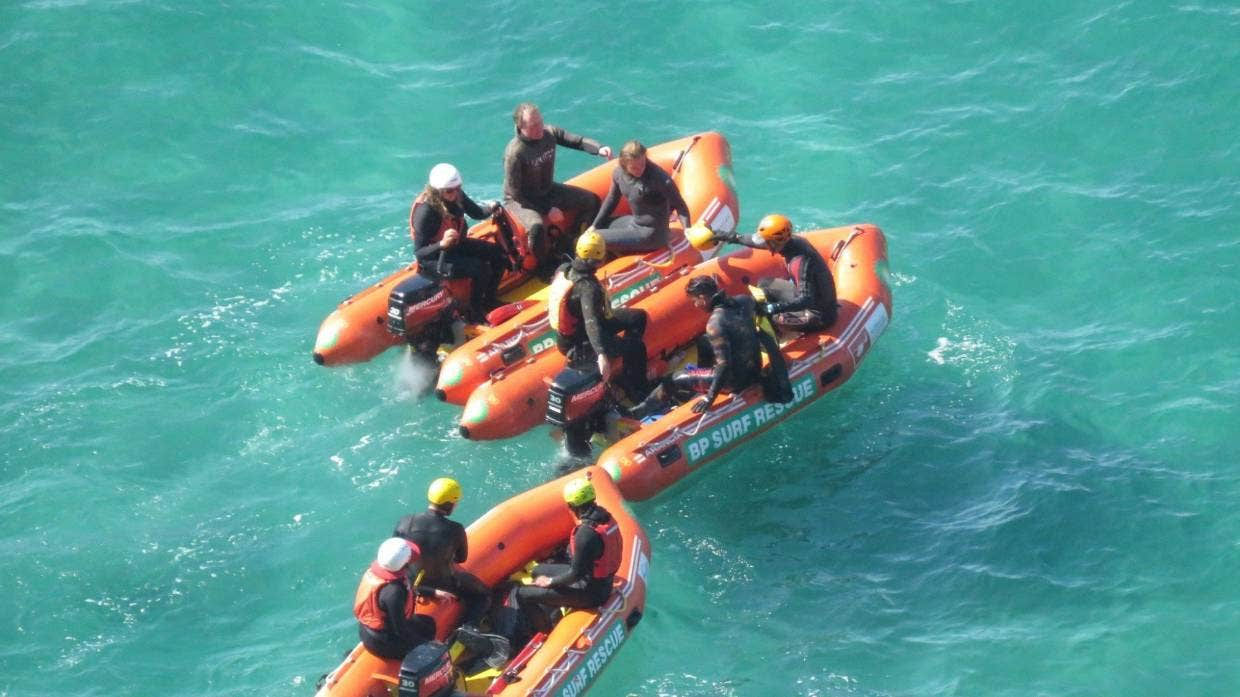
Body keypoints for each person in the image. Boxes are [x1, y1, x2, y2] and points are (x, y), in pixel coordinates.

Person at [629, 274, 791, 417]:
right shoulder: (745, 300)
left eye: (694, 301)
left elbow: (724, 365)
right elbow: (761, 318)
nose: (695, 305)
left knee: (675, 378)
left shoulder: (716, 323)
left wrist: (710, 397)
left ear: (702, 297)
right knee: (703, 340)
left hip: (734, 382)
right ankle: (702, 379)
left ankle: (639, 411)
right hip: (754, 368)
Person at [502, 103, 612, 273]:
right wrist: (547, 210)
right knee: (537, 227)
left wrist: (599, 149)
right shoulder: (515, 153)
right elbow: (516, 192)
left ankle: (573, 240)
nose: (540, 128)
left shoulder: (549, 134)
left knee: (592, 201)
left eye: (540, 122)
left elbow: (577, 141)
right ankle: (544, 267)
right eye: (533, 125)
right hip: (521, 200)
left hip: (547, 190)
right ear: (520, 127)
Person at [548, 230, 649, 401]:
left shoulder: (564, 269)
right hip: (580, 342)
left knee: (638, 317)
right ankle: (637, 389)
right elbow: (591, 322)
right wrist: (602, 354)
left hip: (572, 333)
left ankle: (625, 365)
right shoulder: (588, 288)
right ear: (601, 258)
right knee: (636, 347)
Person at [515, 477, 621, 629]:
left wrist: (550, 582)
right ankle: (554, 601)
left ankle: (545, 629)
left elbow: (575, 575)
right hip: (594, 580)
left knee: (522, 595)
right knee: (538, 570)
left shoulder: (585, 534)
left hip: (590, 593)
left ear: (571, 506)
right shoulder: (606, 517)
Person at [409, 163, 509, 322]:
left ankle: (489, 300)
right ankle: (475, 311)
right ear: (438, 191)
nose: (455, 193)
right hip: (435, 258)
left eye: (458, 188)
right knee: (480, 268)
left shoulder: (456, 195)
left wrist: (491, 208)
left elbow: (476, 212)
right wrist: (441, 244)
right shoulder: (426, 212)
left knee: (499, 254)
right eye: (450, 191)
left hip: (455, 245)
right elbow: (420, 254)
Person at [393, 477, 490, 628]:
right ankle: (468, 628)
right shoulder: (455, 529)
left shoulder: (405, 521)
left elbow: (397, 554)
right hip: (444, 584)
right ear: (452, 503)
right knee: (483, 595)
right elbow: (461, 558)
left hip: (412, 583)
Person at [715, 214, 838, 332]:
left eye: (766, 242)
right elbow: (755, 241)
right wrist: (731, 237)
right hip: (808, 295)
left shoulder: (799, 262)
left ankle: (774, 336)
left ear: (775, 242)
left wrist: (774, 308)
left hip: (819, 313)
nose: (764, 245)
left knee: (775, 318)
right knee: (765, 283)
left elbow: (806, 300)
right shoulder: (789, 242)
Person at [587, 140, 691, 255]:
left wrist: (687, 228)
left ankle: (578, 269)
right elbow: (612, 199)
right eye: (634, 167)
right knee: (594, 226)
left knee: (592, 239)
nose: (640, 169)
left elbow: (680, 205)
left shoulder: (660, 179)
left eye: (642, 164)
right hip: (634, 223)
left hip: (652, 235)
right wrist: (594, 225)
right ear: (624, 164)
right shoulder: (618, 173)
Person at [353, 537, 437, 659]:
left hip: (367, 631)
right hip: (383, 641)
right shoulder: (394, 592)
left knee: (428, 624)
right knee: (430, 647)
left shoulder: (375, 574)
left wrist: (432, 592)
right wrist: (428, 645)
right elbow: (400, 630)